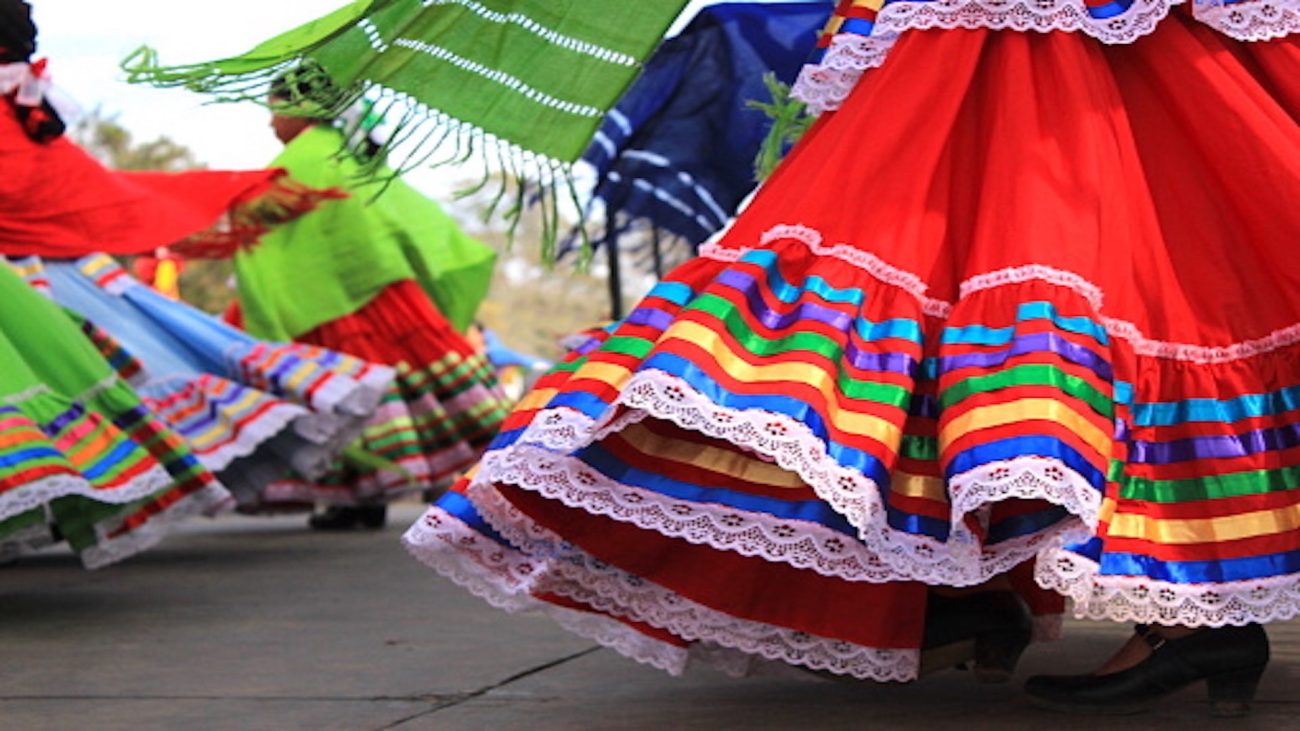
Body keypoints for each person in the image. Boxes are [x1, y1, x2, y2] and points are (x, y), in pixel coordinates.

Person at [399, 0, 1299, 716]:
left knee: (1087, 260)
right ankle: (971, 586)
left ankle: (1145, 607)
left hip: (1032, 31)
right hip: (985, 36)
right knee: (1003, 264)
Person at [221, 70, 510, 530]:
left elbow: (255, 229)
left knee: (345, 396)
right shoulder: (354, 152)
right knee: (409, 393)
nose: (270, 123)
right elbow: (410, 218)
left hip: (322, 299)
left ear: (302, 108)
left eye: (274, 109)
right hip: (383, 293)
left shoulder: (303, 160)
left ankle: (362, 499)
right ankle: (497, 485)